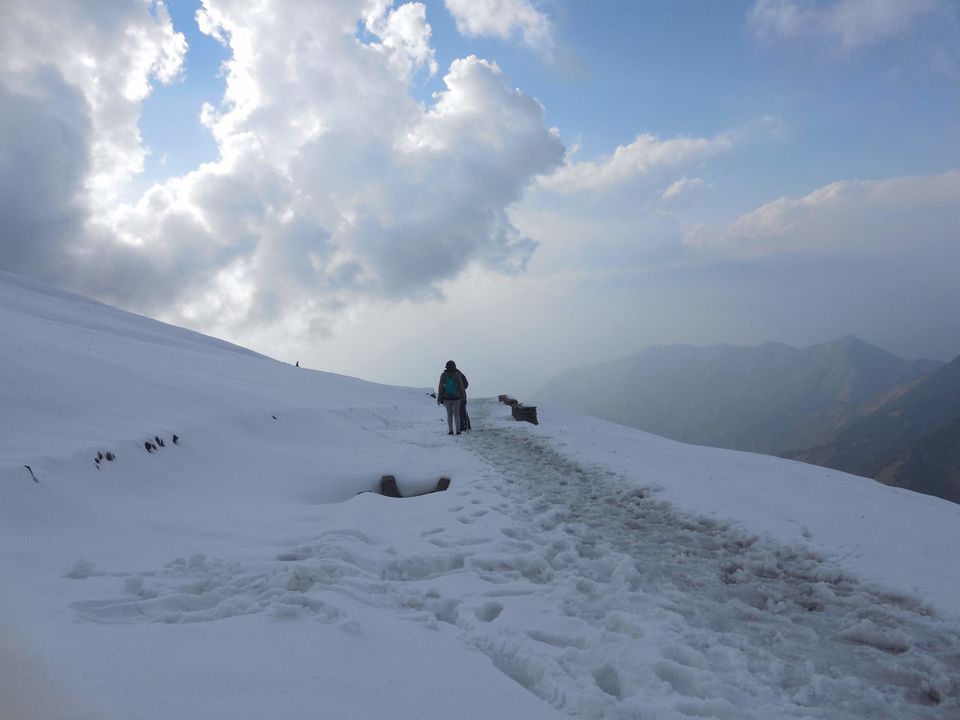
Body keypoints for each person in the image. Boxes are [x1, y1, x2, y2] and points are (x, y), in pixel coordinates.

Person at [437, 360, 466, 435]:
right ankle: (458, 431)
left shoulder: (443, 375)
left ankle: (450, 431)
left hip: (446, 398)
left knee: (449, 415)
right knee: (456, 415)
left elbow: (440, 387)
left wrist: (439, 398)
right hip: (457, 398)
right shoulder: (457, 375)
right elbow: (461, 387)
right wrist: (464, 397)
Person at [456, 366, 471, 431]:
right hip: (461, 396)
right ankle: (467, 426)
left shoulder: (446, 374)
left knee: (457, 412)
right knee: (463, 411)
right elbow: (466, 384)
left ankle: (461, 426)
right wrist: (461, 388)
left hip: (451, 397)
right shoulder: (459, 373)